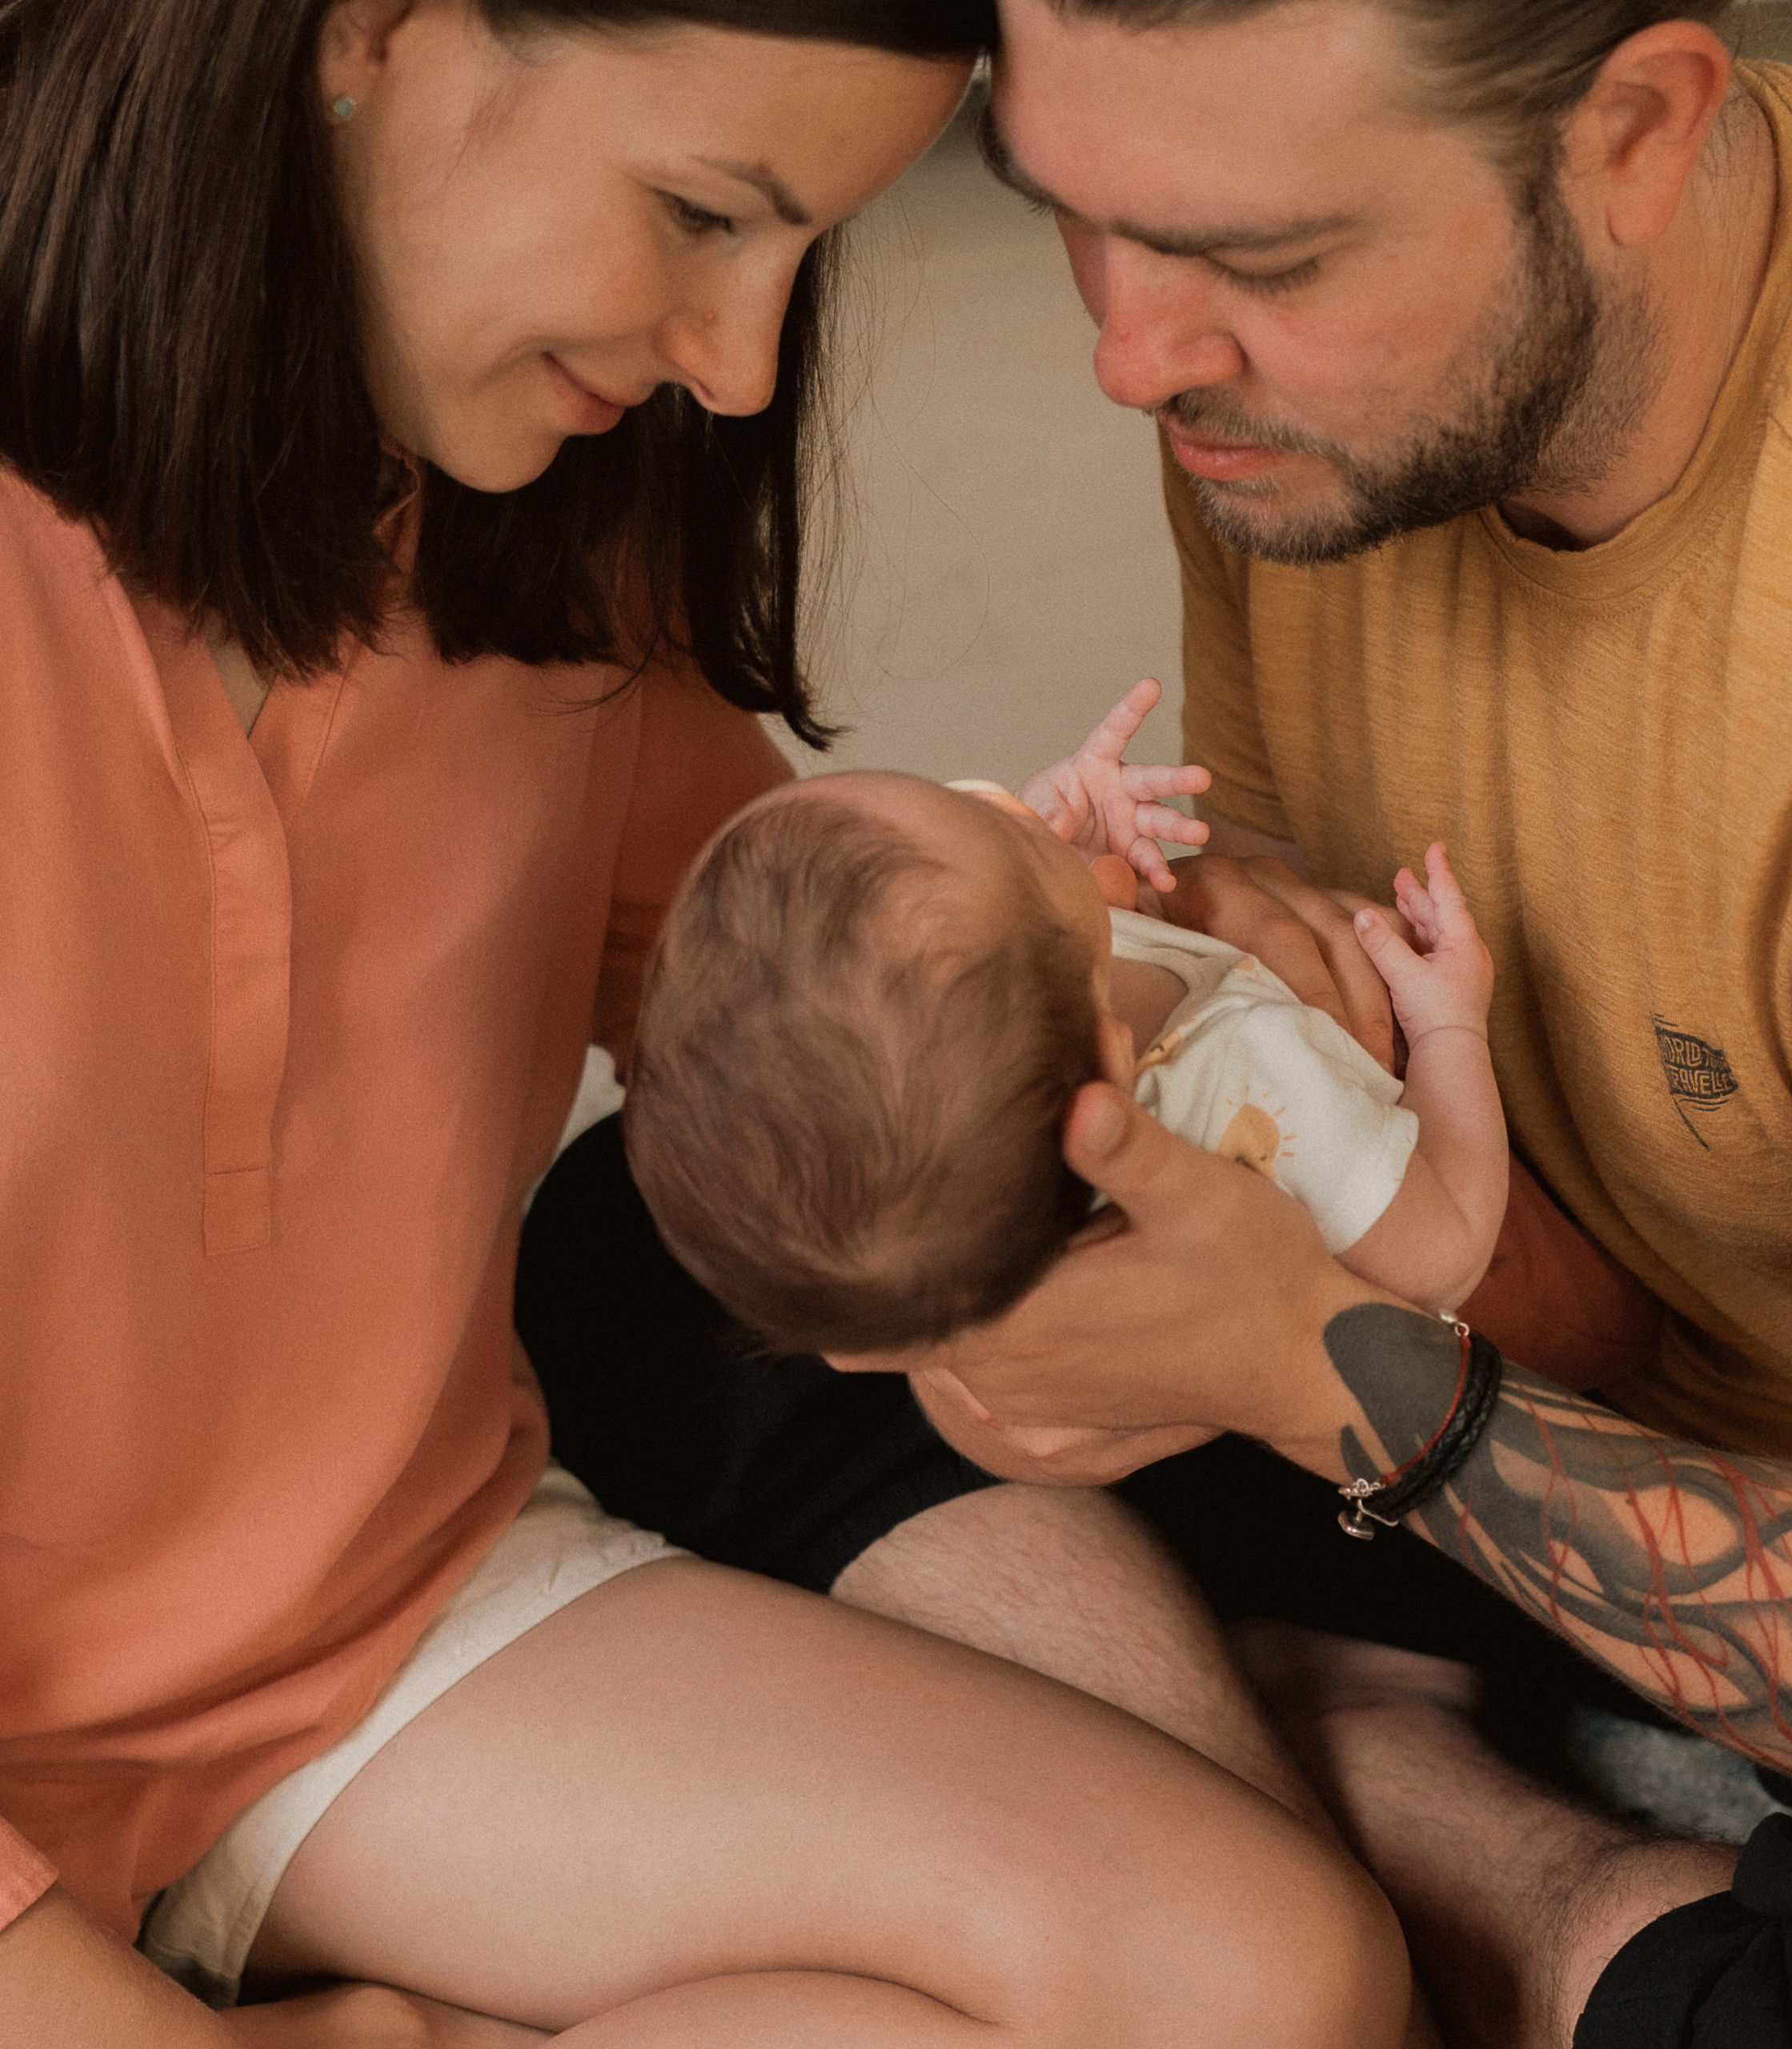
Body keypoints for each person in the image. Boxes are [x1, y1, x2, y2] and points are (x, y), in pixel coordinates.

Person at [518, 0, 1792, 2044]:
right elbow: (1360, 1019)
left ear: (1633, 131)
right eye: (1070, 213)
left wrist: (1308, 1364)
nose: (1127, 354)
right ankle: (1300, 1859)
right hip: (1493, 1340)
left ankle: (1406, 1834)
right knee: (691, 1227)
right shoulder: (1292, 407)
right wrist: (1190, 948)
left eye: (1258, 257)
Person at [0, 2, 1419, 2044]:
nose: (741, 362)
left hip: (372, 1636)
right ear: (373, 27)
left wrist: (1148, 990)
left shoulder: (531, 526)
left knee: (1259, 1983)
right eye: (697, 212)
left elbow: (814, 1026)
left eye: (802, 249)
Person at [623, 702, 1506, 1356]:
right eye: (1000, 824)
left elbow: (1041, 939)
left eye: (965, 800)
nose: (1008, 798)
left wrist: (1077, 854)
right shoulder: (1254, 1087)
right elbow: (1444, 1254)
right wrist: (1448, 1029)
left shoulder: (1018, 1019)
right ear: (1114, 1069)